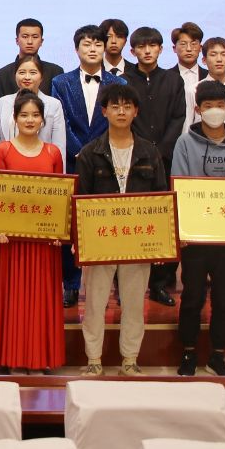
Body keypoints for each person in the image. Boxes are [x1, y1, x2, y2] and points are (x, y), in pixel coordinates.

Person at [76, 84, 167, 377]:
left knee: (134, 303)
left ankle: (130, 359)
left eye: (127, 106)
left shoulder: (149, 152)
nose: (121, 112)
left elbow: (161, 199)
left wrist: (161, 243)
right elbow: (81, 199)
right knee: (95, 303)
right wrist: (81, 241)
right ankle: (94, 359)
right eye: (115, 106)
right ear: (104, 111)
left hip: (137, 241)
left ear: (136, 111)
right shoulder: (90, 153)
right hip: (101, 242)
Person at [170, 79, 225, 377]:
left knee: (223, 299)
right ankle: (189, 352)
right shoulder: (184, 143)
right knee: (192, 296)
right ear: (198, 109)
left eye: (220, 105)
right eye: (208, 106)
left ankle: (218, 355)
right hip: (194, 237)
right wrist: (181, 231)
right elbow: (178, 188)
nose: (215, 111)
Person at [0, 92, 66, 374]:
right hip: (11, 240)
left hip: (43, 241)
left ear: (43, 119)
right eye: (24, 115)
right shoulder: (2, 151)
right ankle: (8, 356)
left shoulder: (53, 153)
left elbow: (60, 197)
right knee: (12, 298)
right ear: (15, 119)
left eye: (35, 115)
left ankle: (41, 356)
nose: (30, 120)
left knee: (41, 298)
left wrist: (59, 230)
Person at [51, 25, 126, 306]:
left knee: (105, 222)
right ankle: (70, 284)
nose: (92, 49)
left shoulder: (119, 84)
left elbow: (119, 120)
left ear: (105, 48)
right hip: (73, 162)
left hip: (107, 161)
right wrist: (81, 152)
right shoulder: (61, 82)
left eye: (97, 44)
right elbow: (61, 121)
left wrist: (96, 152)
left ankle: (106, 284)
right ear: (76, 49)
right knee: (70, 224)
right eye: (86, 44)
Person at [125, 26, 186, 307]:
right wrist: (142, 149)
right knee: (131, 220)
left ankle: (160, 284)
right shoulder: (125, 80)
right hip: (133, 158)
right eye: (141, 46)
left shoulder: (173, 80)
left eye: (152, 46)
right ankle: (125, 285)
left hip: (166, 158)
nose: (147, 51)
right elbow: (124, 117)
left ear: (161, 49)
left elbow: (178, 117)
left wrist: (160, 150)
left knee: (163, 221)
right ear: (132, 51)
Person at [0, 55, 66, 156]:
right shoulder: (3, 102)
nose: (27, 77)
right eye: (22, 72)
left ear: (41, 77)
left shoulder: (54, 105)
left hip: (42, 163)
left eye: (33, 73)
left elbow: (59, 147)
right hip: (7, 163)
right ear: (15, 76)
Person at [0, 18, 63, 104]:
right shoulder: (2, 75)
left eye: (35, 37)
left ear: (41, 41)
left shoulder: (55, 72)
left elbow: (60, 108)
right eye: (25, 37)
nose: (30, 41)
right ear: (17, 40)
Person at [169, 22, 207, 122]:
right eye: (183, 44)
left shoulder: (210, 77)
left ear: (200, 48)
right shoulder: (165, 78)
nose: (189, 49)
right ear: (174, 48)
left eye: (193, 44)